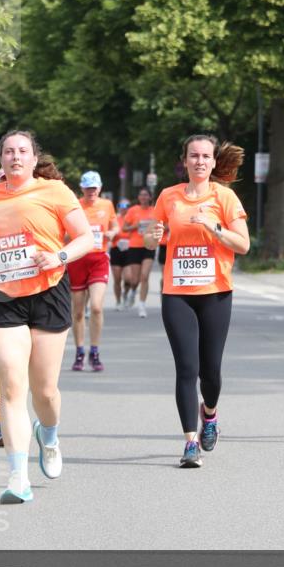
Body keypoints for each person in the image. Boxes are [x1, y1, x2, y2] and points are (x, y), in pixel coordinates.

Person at [0, 129, 94, 504]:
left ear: (35, 159)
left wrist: (58, 256)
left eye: (22, 151)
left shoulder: (54, 192)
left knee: (45, 390)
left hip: (48, 290)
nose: (15, 156)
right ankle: (17, 477)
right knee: (10, 384)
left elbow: (86, 238)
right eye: (8, 151)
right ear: (1, 160)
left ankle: (49, 435)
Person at [146, 134, 249, 467]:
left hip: (216, 292)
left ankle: (211, 413)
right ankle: (190, 442)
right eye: (194, 156)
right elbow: (153, 237)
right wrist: (151, 237)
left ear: (214, 162)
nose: (200, 161)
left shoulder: (226, 198)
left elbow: (243, 245)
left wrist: (215, 226)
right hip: (177, 293)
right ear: (185, 160)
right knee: (186, 368)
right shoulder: (168, 196)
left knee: (211, 372)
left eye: (206, 156)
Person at [67, 170, 118, 371]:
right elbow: (64, 232)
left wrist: (113, 233)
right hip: (78, 259)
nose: (91, 192)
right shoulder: (75, 206)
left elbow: (115, 225)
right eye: (87, 188)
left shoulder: (107, 205)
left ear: (100, 188)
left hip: (99, 258)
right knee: (78, 311)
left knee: (96, 307)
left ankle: (94, 352)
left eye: (94, 188)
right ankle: (80, 352)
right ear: (82, 188)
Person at [123, 187, 156, 317]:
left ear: (150, 197)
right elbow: (124, 228)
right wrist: (134, 227)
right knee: (135, 279)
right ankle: (132, 292)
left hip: (149, 246)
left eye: (146, 195)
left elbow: (164, 225)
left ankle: (142, 305)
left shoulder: (154, 211)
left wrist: (156, 229)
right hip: (135, 246)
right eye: (141, 195)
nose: (143, 197)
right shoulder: (132, 211)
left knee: (145, 276)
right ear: (138, 197)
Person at [110, 199, 131, 309]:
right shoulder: (115, 219)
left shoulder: (131, 219)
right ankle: (118, 301)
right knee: (117, 278)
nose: (123, 207)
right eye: (120, 205)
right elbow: (110, 231)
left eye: (126, 205)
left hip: (129, 249)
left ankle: (126, 294)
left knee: (128, 278)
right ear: (118, 207)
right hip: (116, 249)